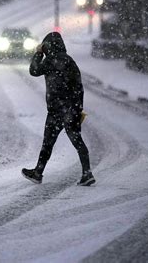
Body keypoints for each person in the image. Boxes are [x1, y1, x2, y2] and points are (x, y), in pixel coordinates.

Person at [22, 32, 95, 186]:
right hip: (72, 108)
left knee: (48, 143)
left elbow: (33, 71)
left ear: (48, 46)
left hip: (56, 110)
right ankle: (87, 173)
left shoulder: (50, 60)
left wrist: (38, 53)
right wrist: (78, 109)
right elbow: (79, 87)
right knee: (77, 140)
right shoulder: (70, 61)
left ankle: (38, 173)